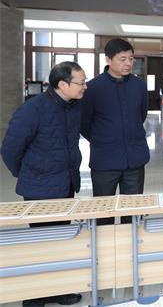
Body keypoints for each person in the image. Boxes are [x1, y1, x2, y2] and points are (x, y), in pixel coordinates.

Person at [1, 62, 86, 307]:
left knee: (59, 240)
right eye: (81, 83)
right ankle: (34, 298)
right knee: (40, 244)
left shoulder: (73, 107)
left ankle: (55, 289)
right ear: (63, 85)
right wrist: (28, 174)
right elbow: (10, 149)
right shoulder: (33, 109)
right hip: (40, 190)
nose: (84, 87)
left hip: (65, 185)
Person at [81, 38, 149, 225]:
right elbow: (84, 122)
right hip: (105, 161)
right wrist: (102, 139)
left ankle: (132, 242)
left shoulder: (139, 86)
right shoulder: (93, 88)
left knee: (133, 212)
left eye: (131, 58)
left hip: (135, 160)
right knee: (104, 212)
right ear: (108, 60)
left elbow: (141, 115)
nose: (128, 63)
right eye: (122, 59)